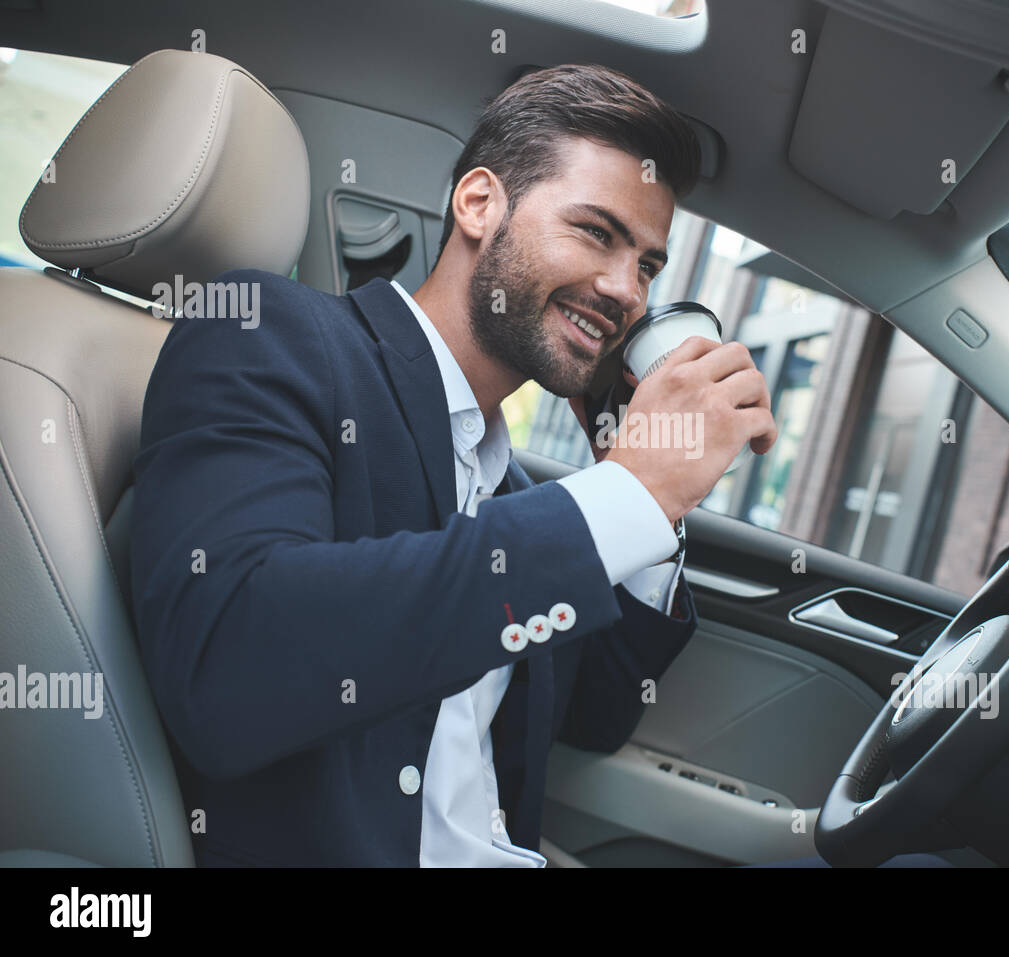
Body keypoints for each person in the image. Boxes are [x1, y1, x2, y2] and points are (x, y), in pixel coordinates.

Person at [130, 63, 778, 867]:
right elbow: (231, 664)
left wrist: (650, 500)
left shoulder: (506, 483)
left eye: (648, 265)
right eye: (596, 232)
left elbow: (592, 717)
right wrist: (628, 491)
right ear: (478, 204)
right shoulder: (274, 334)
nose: (627, 292)